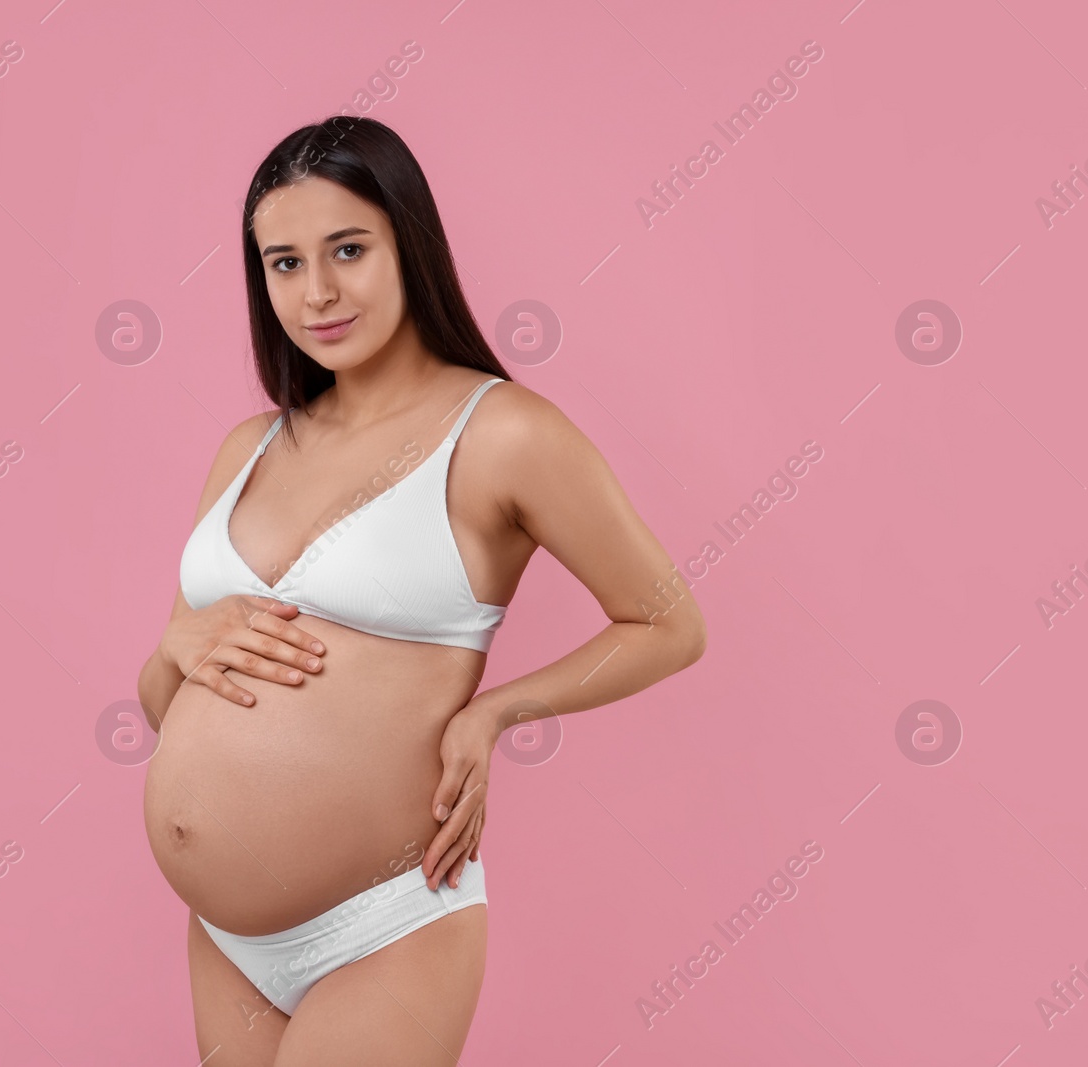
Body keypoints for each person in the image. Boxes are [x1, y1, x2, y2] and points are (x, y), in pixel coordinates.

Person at [138, 116, 707, 1065]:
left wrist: (495, 712)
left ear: (411, 242)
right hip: (228, 938)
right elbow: (168, 706)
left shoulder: (502, 433)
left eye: (348, 250)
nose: (316, 292)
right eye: (283, 263)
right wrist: (172, 651)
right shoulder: (248, 450)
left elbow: (668, 622)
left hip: (385, 922)